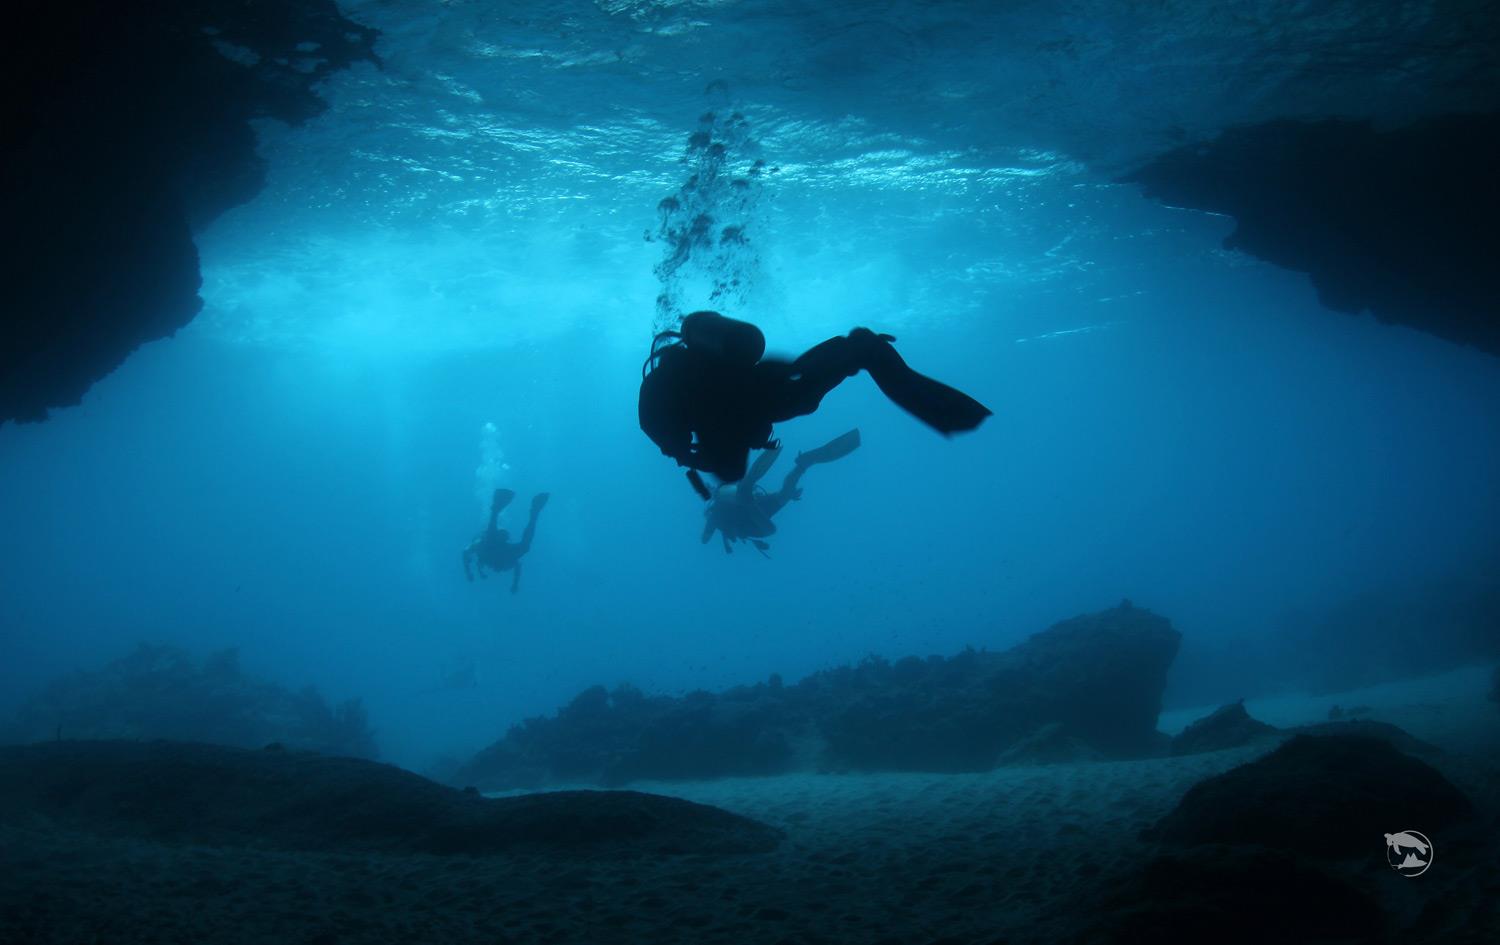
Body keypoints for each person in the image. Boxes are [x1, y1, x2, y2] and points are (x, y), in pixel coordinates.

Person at [640, 311, 990, 498]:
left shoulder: (661, 391)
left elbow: (666, 434)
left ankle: (857, 351)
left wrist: (686, 454)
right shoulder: (688, 375)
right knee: (813, 382)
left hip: (761, 404)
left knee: (733, 471)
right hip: (769, 389)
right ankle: (858, 349)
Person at [702, 428, 862, 555]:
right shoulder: (717, 512)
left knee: (771, 527)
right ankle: (801, 466)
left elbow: (705, 539)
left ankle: (750, 488)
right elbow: (706, 538)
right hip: (755, 510)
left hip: (752, 516)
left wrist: (710, 530)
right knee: (783, 496)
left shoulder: (716, 514)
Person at [463, 489, 549, 592]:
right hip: (499, 544)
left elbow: (466, 551)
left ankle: (496, 510)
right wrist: (515, 584)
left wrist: (468, 572)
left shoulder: (482, 550)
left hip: (491, 543)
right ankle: (534, 513)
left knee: (491, 541)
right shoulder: (507, 560)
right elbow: (517, 566)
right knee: (524, 547)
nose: (497, 570)